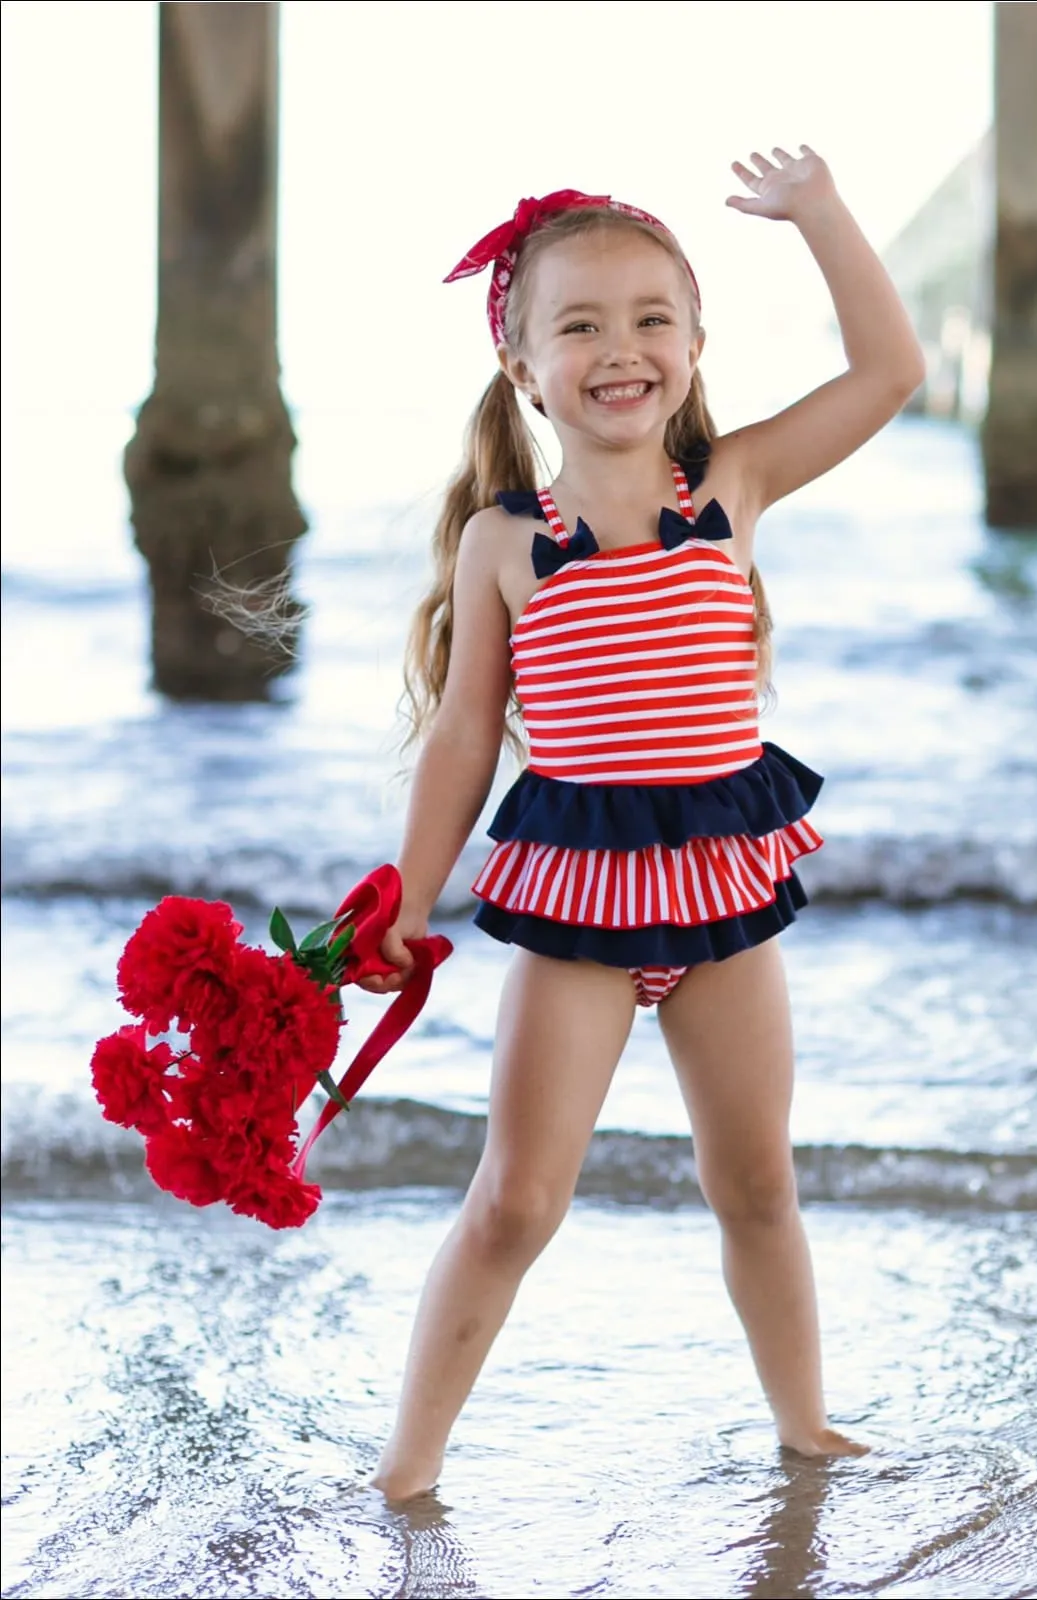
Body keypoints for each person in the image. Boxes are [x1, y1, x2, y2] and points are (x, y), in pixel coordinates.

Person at [359, 145, 925, 1502]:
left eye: (651, 318)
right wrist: (407, 892)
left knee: (759, 1188)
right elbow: (459, 738)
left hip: (727, 905)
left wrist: (823, 214)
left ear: (695, 340)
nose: (622, 350)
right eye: (582, 325)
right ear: (523, 366)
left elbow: (890, 373)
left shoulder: (728, 488)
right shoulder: (508, 540)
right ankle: (408, 1465)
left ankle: (805, 1425)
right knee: (515, 1203)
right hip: (578, 918)